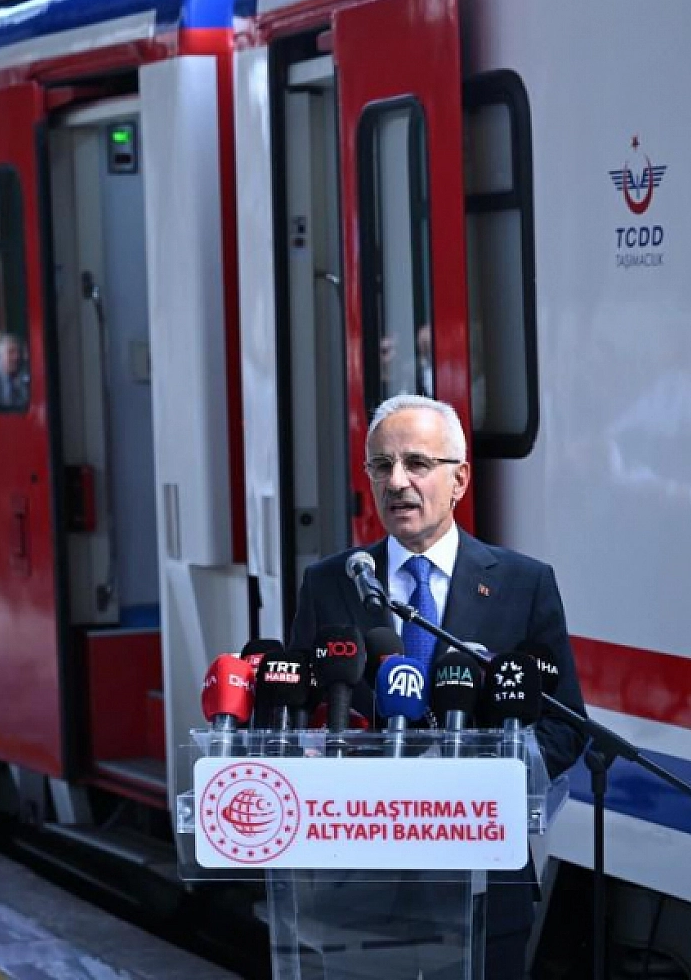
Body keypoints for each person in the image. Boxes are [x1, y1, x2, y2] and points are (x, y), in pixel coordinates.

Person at [290, 393, 587, 978]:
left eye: (418, 464)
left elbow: (564, 725)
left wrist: (491, 778)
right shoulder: (332, 583)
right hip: (359, 885)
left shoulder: (523, 585)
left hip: (482, 880)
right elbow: (298, 709)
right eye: (382, 465)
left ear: (460, 479)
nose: (397, 481)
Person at [0, 332, 30, 407]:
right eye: (11, 352)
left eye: (18, 352)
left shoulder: (25, 374)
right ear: (0, 355)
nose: (16, 357)